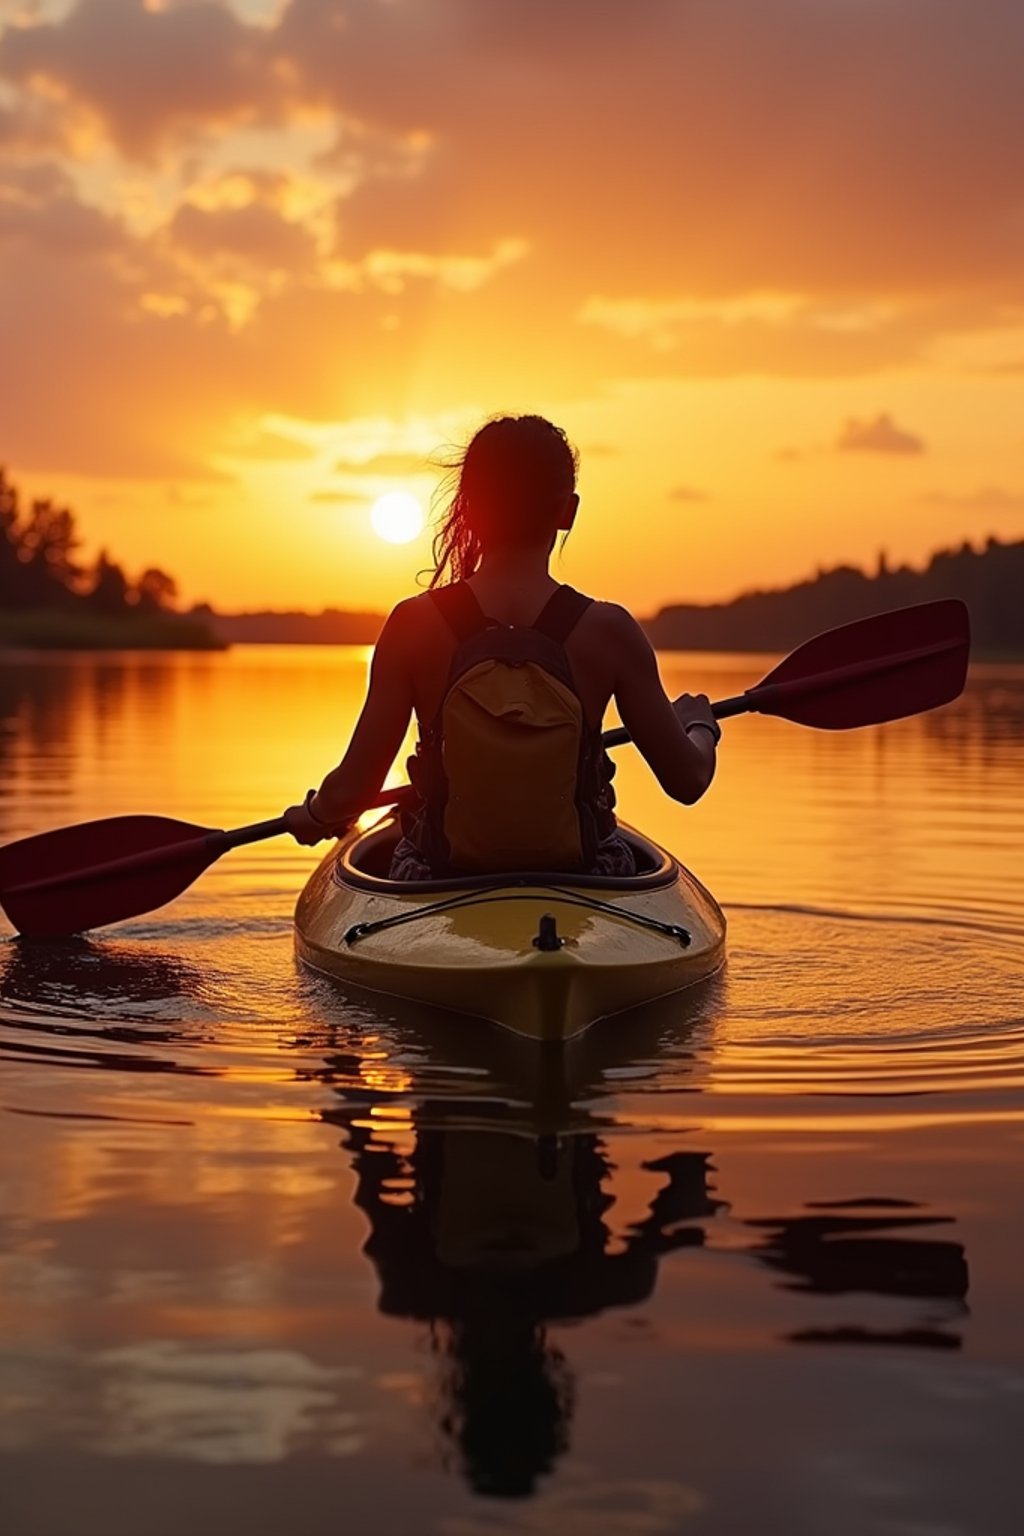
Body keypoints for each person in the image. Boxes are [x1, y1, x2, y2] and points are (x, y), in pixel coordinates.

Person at [284, 414, 720, 876]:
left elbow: (354, 789)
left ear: (468, 508)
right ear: (568, 511)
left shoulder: (413, 625)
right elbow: (687, 779)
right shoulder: (610, 631)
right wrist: (698, 726)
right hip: (584, 873)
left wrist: (316, 814)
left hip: (440, 874)